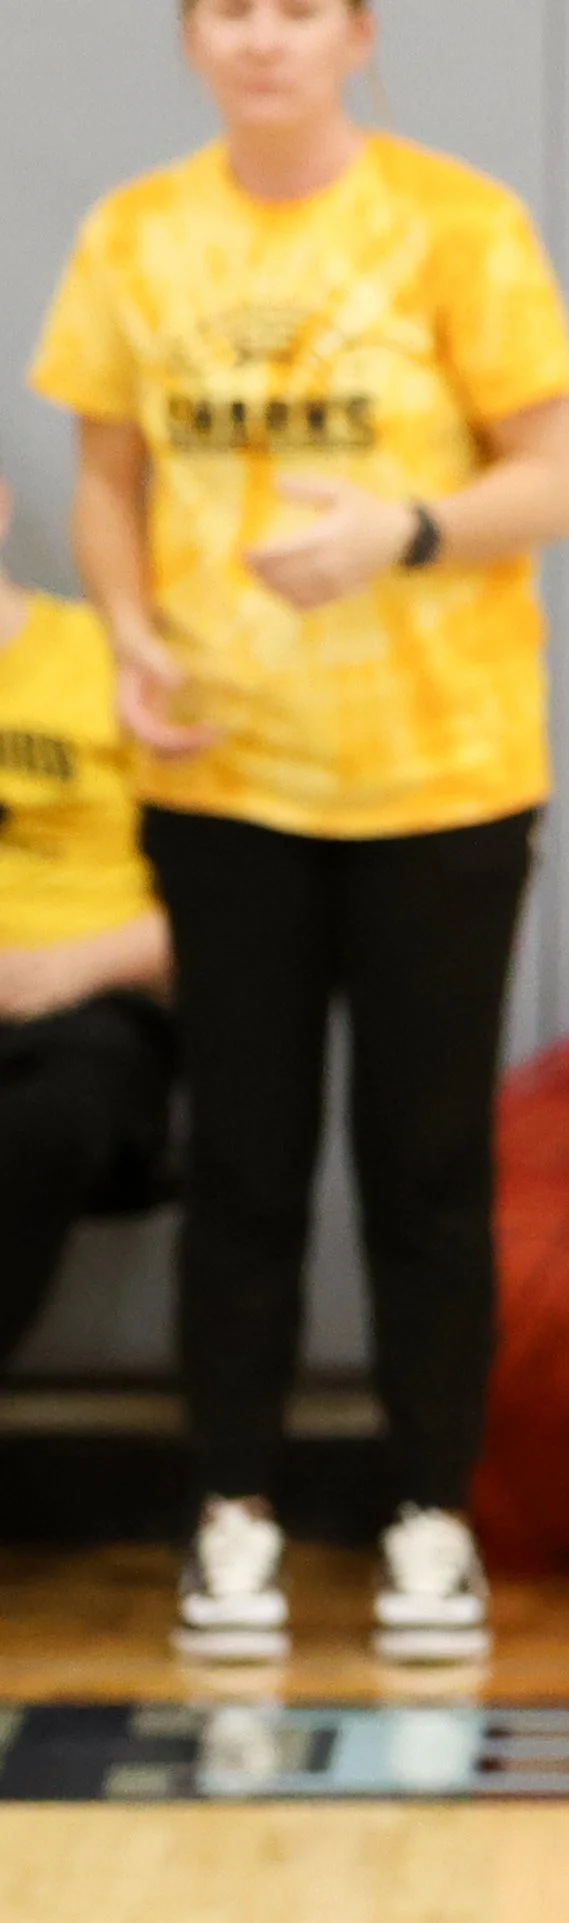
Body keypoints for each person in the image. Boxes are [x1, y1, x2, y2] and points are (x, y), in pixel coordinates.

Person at [29, 0, 569, 1660]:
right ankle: (231, 1515)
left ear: (353, 36)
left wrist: (404, 530)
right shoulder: (136, 234)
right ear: (191, 40)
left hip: (445, 776)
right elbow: (109, 479)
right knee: (246, 1173)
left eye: (296, 10)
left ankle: (431, 1514)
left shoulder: (454, 221)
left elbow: (557, 482)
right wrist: (128, 628)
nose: (261, 41)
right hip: (223, 779)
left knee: (425, 1168)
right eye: (228, 12)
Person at [0, 465, 178, 1371]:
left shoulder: (106, 658)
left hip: (90, 1014)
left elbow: (229, 910)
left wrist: (70, 968)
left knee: (44, 1120)